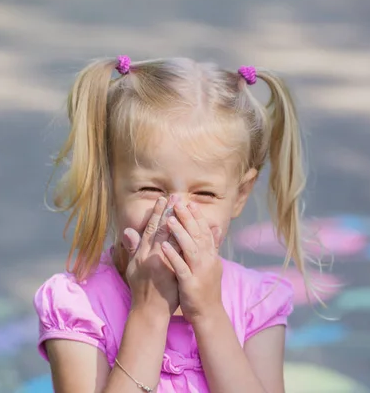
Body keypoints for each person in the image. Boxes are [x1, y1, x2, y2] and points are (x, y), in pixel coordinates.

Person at [34, 55, 309, 393]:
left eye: (205, 193)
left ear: (240, 195)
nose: (175, 211)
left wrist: (208, 313)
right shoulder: (78, 306)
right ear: (107, 183)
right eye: (151, 189)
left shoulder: (255, 302)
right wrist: (148, 311)